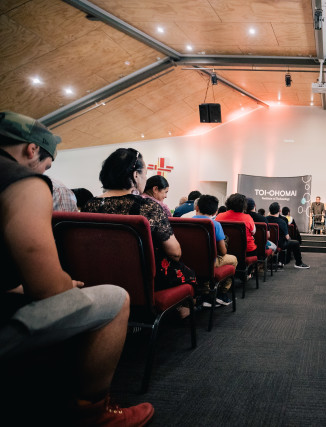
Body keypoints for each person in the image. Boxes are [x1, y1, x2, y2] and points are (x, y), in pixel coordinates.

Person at [0, 111, 154, 425]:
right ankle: (93, 414)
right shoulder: (22, 182)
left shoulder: (91, 205)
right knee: (116, 298)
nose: (45, 171)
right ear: (31, 149)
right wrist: (63, 283)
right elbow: (45, 288)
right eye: (47, 164)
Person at [82, 148, 197, 300]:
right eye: (145, 174)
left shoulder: (89, 205)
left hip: (98, 276)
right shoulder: (147, 207)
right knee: (189, 274)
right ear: (135, 175)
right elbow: (175, 253)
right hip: (140, 280)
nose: (145, 178)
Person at [192, 195, 237, 306]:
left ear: (197, 208)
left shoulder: (186, 221)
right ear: (215, 212)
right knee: (233, 259)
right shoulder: (215, 225)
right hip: (210, 262)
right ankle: (222, 293)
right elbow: (223, 251)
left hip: (189, 261)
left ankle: (205, 292)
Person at [266, 202, 310, 269]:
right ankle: (299, 263)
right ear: (279, 210)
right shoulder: (282, 222)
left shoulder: (265, 219)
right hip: (280, 244)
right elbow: (287, 237)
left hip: (267, 243)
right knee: (296, 243)